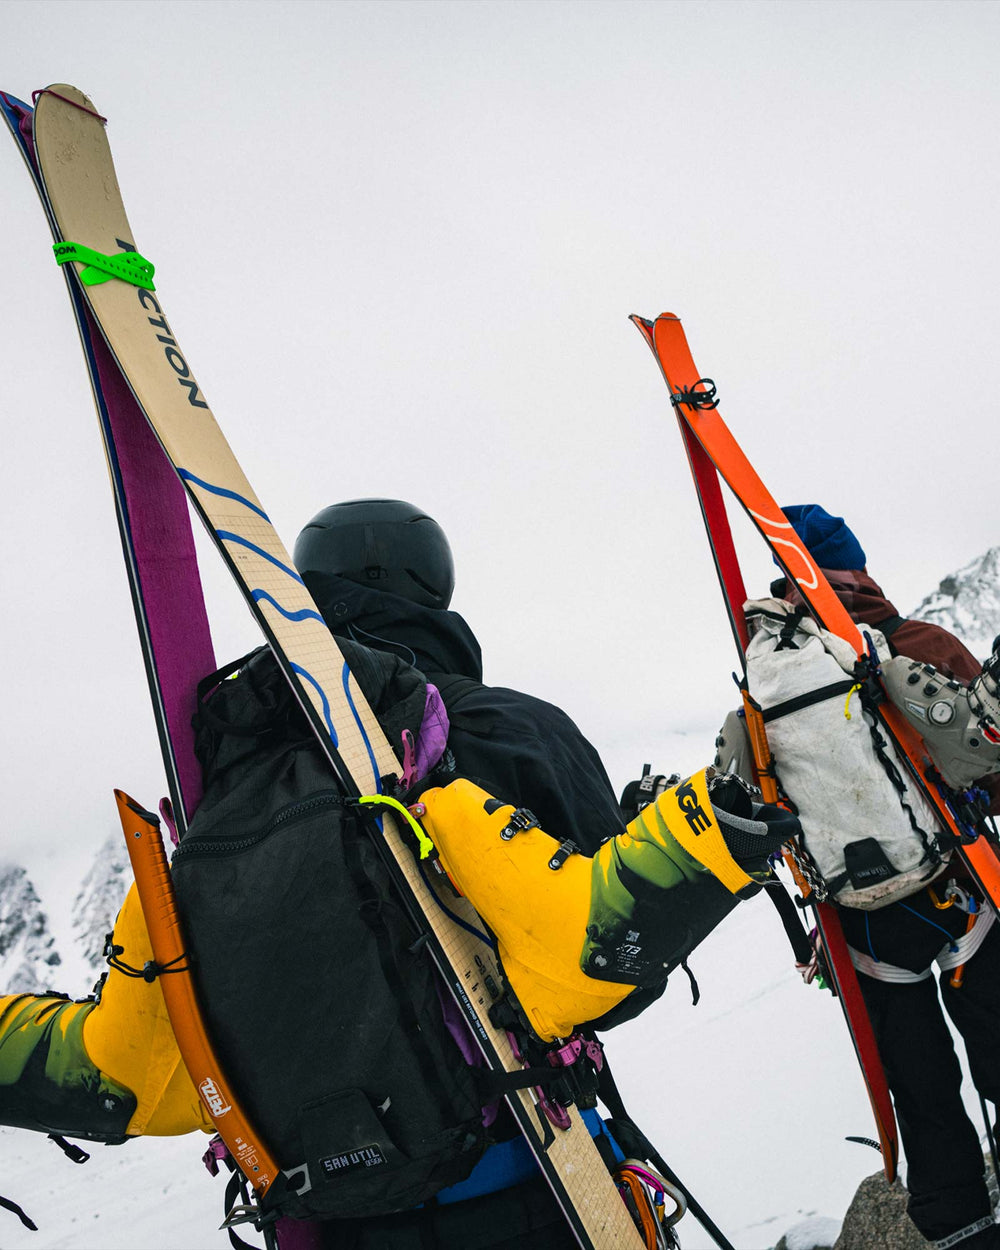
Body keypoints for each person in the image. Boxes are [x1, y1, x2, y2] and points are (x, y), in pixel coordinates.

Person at [0, 499, 792, 1249]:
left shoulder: (233, 787)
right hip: (538, 1186)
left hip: (339, 1218)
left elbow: (142, 1057)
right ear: (433, 588)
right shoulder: (506, 725)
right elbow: (614, 976)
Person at [721, 504, 1000, 1250]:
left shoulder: (765, 682)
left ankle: (960, 1226)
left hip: (865, 931)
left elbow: (750, 799)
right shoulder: (916, 645)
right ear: (858, 570)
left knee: (921, 1092)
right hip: (964, 894)